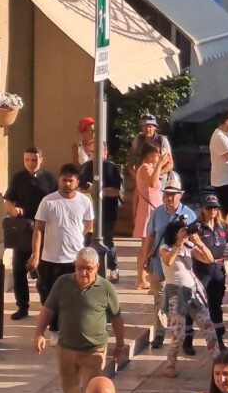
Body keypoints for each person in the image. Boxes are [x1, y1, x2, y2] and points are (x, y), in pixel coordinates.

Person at [33, 247, 125, 393]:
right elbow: (48, 310)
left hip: (93, 349)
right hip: (66, 348)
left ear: (97, 267)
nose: (83, 273)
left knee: (93, 390)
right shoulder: (62, 283)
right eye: (79, 268)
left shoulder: (106, 288)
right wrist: (39, 333)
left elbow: (117, 318)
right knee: (70, 390)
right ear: (74, 266)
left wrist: (120, 346)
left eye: (88, 269)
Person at [30, 163, 95, 343]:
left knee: (76, 296)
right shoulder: (48, 201)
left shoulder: (84, 201)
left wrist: (77, 238)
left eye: (70, 181)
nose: (67, 184)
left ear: (77, 182)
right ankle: (55, 329)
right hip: (50, 258)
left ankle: (73, 328)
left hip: (73, 259)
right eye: (64, 180)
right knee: (49, 295)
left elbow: (89, 224)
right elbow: (38, 229)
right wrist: (36, 254)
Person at [138, 173, 197, 348]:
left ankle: (179, 333)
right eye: (167, 194)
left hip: (179, 266)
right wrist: (146, 256)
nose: (169, 197)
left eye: (173, 194)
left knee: (179, 301)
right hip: (158, 261)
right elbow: (150, 235)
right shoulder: (157, 212)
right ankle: (159, 332)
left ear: (181, 194)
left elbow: (195, 240)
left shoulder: (189, 214)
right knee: (158, 299)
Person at [3, 146, 57, 320]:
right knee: (19, 270)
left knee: (45, 272)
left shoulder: (49, 179)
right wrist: (13, 209)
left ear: (41, 159)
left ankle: (47, 308)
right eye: (27, 160)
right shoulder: (18, 178)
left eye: (34, 160)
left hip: (44, 231)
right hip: (24, 231)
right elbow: (8, 201)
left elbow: (58, 200)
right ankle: (22, 306)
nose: (30, 163)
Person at [158, 220, 216, 378]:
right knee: (179, 332)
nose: (185, 233)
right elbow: (168, 261)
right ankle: (170, 363)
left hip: (193, 292)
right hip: (175, 293)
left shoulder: (189, 249)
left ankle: (218, 361)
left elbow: (210, 259)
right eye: (182, 230)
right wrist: (178, 244)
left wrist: (199, 243)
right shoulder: (165, 248)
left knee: (208, 328)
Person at [78, 145, 124, 283]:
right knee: (87, 241)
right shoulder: (85, 167)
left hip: (107, 212)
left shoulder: (112, 168)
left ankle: (113, 268)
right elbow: (78, 188)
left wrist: (97, 190)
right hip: (87, 214)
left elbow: (117, 192)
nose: (94, 154)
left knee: (107, 242)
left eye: (98, 151)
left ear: (105, 152)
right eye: (91, 152)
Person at [191, 194, 228, 352]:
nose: (212, 210)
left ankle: (219, 338)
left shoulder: (222, 226)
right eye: (209, 207)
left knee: (216, 305)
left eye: (215, 207)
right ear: (203, 209)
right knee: (195, 305)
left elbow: (227, 246)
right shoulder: (197, 227)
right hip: (202, 270)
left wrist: (226, 263)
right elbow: (191, 249)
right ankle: (187, 339)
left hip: (218, 271)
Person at [132, 143, 171, 273]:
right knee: (146, 246)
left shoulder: (150, 168)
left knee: (151, 245)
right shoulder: (144, 168)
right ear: (149, 155)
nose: (159, 156)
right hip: (149, 209)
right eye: (157, 154)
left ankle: (144, 276)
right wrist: (160, 164)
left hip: (154, 207)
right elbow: (153, 183)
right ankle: (141, 277)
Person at [128, 114, 174, 188]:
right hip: (141, 176)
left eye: (150, 126)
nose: (147, 129)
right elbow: (131, 159)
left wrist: (156, 174)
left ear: (155, 128)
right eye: (144, 126)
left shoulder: (162, 141)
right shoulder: (138, 139)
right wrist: (134, 174)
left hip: (159, 177)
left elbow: (170, 165)